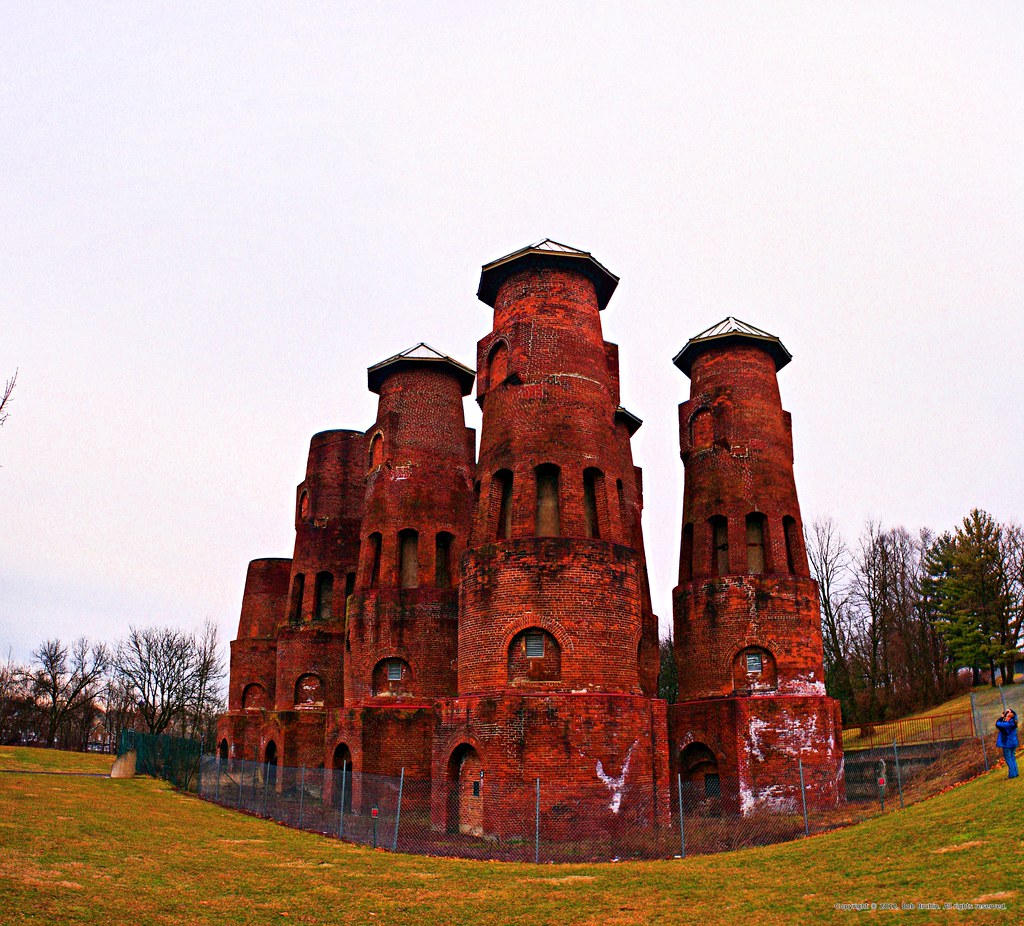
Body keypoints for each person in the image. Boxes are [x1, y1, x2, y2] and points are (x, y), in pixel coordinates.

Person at [995, 709, 1019, 779]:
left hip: (1007, 744)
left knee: (1008, 758)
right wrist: (1011, 711)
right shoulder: (1014, 722)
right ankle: (1016, 772)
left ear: (1010, 718)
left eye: (1007, 717)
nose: (1006, 718)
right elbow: (1015, 716)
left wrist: (1002, 717)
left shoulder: (1007, 725)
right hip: (1014, 742)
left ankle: (1012, 774)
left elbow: (998, 724)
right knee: (1012, 758)